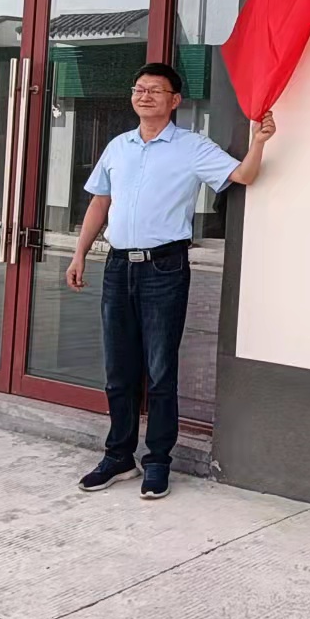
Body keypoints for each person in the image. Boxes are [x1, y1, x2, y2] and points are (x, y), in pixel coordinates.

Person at [69, 62, 275, 500]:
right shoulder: (118, 147)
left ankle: (158, 460)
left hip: (164, 268)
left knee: (160, 369)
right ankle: (118, 456)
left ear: (175, 100)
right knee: (119, 370)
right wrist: (79, 253)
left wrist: (258, 142)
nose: (144, 96)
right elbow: (100, 202)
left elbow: (242, 176)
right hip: (118, 266)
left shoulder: (191, 147)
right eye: (139, 88)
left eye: (155, 90)